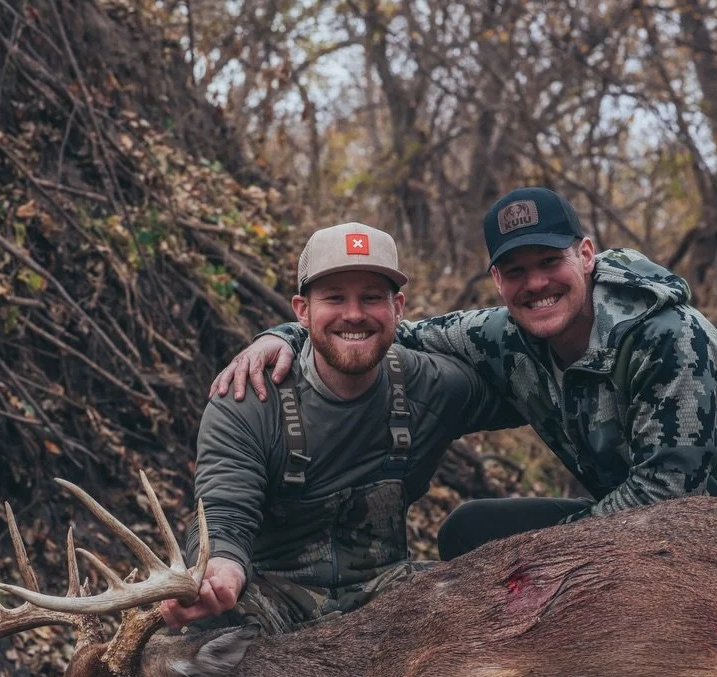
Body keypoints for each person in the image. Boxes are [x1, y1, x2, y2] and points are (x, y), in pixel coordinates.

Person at [212, 187, 717, 560]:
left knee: (520, 567)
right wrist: (284, 335)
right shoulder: (503, 334)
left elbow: (668, 497)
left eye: (550, 261)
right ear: (498, 281)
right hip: (635, 537)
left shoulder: (666, 335)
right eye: (515, 271)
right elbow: (383, 330)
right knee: (471, 534)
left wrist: (544, 558)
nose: (536, 284)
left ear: (586, 255)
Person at [162, 222, 521, 632]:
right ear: (302, 310)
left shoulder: (435, 385)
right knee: (199, 638)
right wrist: (222, 572)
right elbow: (225, 512)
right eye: (335, 298)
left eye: (371, 298)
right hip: (273, 604)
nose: (354, 314)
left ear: (398, 307)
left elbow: (535, 393)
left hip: (390, 601)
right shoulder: (247, 397)